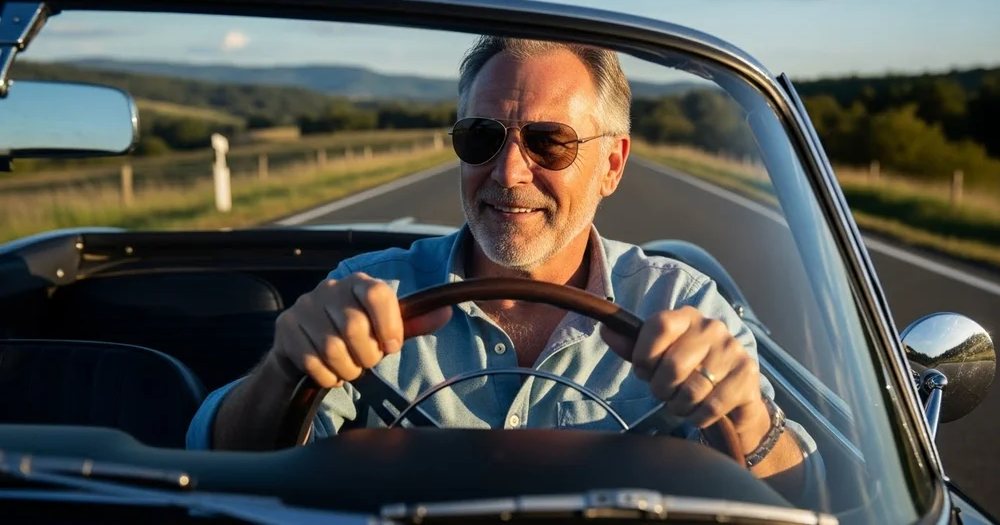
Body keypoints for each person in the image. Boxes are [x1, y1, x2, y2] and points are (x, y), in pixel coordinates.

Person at [186, 35, 825, 506]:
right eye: (481, 137)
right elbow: (221, 472)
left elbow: (803, 502)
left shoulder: (682, 304)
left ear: (611, 164)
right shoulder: (369, 292)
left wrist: (746, 416)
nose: (509, 172)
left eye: (550, 141)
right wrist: (285, 367)